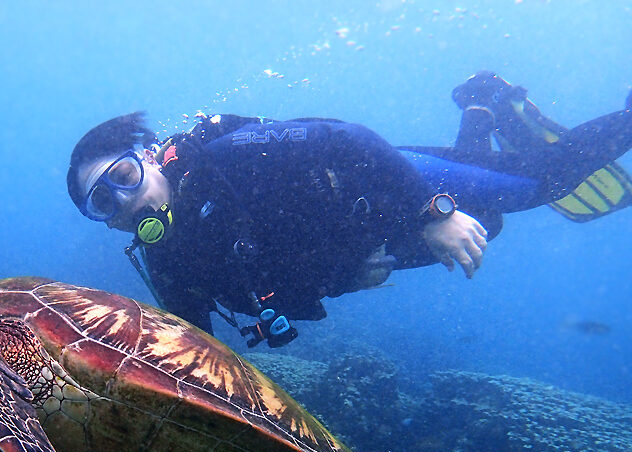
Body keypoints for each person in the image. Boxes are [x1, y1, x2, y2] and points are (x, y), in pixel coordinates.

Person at [66, 72, 632, 347]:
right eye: (103, 201)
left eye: (123, 176)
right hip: (369, 249)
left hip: (393, 188)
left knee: (537, 186)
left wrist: (433, 213)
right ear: (105, 221)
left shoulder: (224, 157)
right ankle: (481, 103)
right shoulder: (169, 265)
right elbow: (195, 348)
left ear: (149, 160)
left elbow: (350, 139)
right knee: (496, 225)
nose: (125, 198)